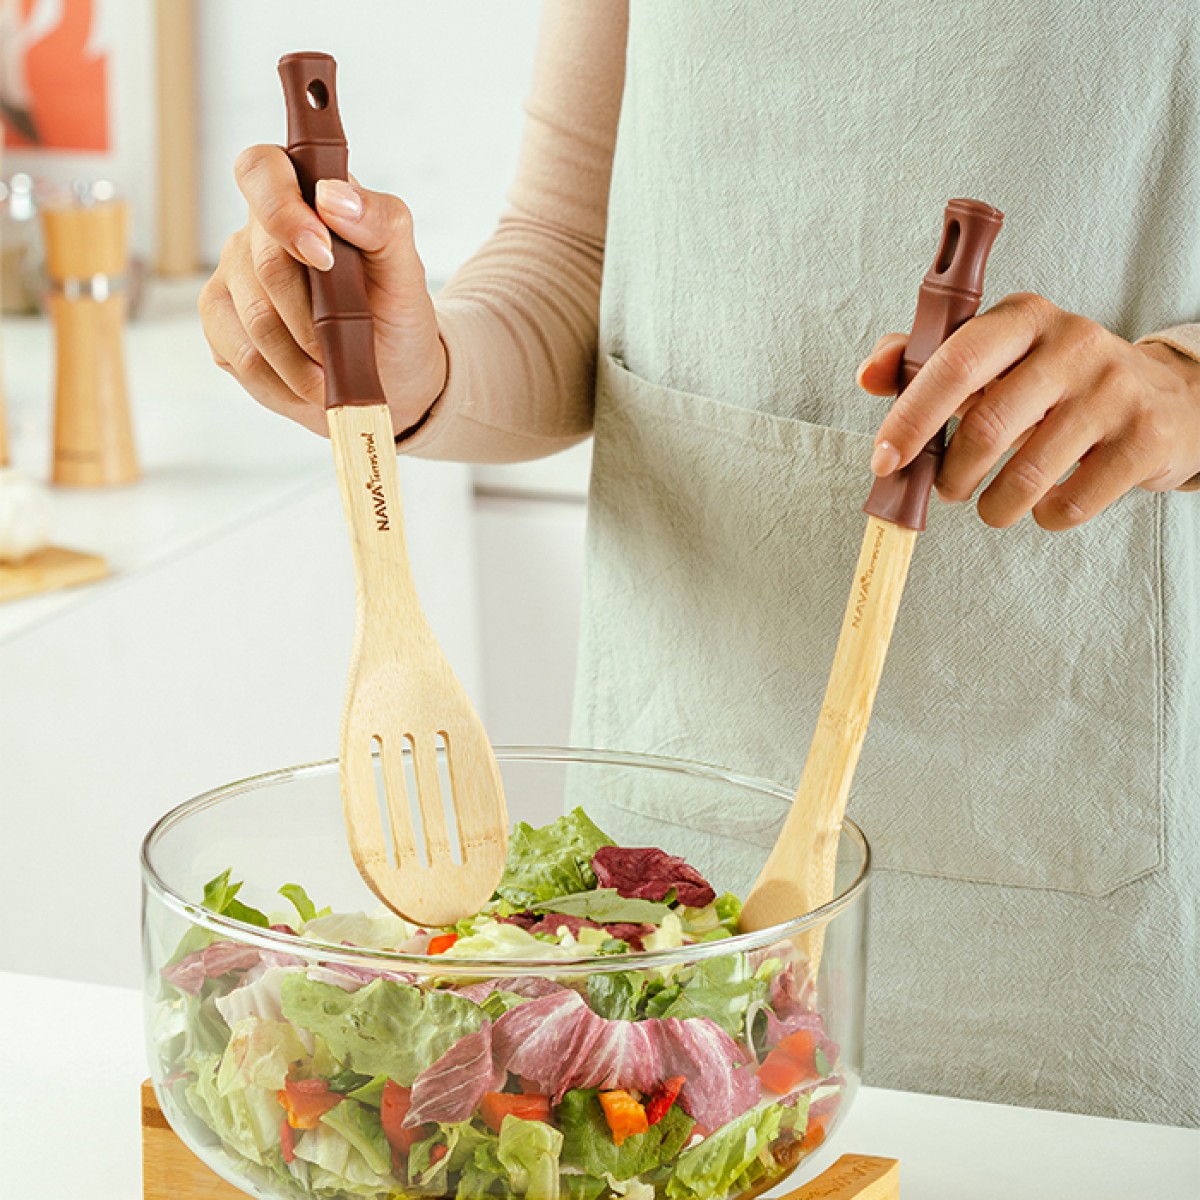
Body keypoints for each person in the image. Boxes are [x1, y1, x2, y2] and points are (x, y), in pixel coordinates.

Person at [199, 3, 1199, 1126]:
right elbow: (573, 255)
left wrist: (1179, 387)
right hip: (657, 836)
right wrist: (414, 366)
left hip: (1076, 861)